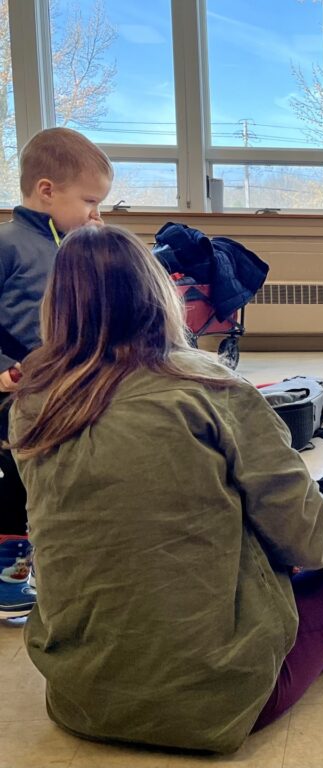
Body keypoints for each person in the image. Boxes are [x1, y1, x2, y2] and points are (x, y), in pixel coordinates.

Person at [7, 225, 323, 753]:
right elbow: (305, 538)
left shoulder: (33, 405)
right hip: (216, 700)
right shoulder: (211, 387)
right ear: (160, 294)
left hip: (80, 696)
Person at [0, 127, 112, 618]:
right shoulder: (9, 242)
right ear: (47, 190)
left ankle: (50, 561)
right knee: (18, 486)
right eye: (89, 200)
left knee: (61, 474)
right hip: (16, 393)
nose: (95, 212)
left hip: (61, 387)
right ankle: (9, 580)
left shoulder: (70, 246)